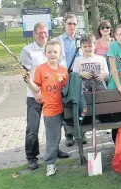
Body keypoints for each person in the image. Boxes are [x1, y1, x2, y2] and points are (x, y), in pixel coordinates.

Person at [20, 23, 69, 171]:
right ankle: (32, 157)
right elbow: (26, 74)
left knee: (54, 127)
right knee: (33, 128)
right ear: (34, 34)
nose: (43, 35)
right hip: (34, 94)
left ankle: (54, 150)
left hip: (51, 95)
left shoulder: (53, 48)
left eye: (45, 33)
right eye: (40, 33)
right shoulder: (27, 50)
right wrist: (37, 93)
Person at [53, 14, 84, 146]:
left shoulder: (81, 40)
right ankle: (69, 134)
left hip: (79, 76)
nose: (72, 26)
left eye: (74, 24)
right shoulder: (57, 40)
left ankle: (81, 132)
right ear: (64, 25)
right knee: (66, 103)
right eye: (69, 23)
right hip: (63, 76)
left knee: (81, 102)